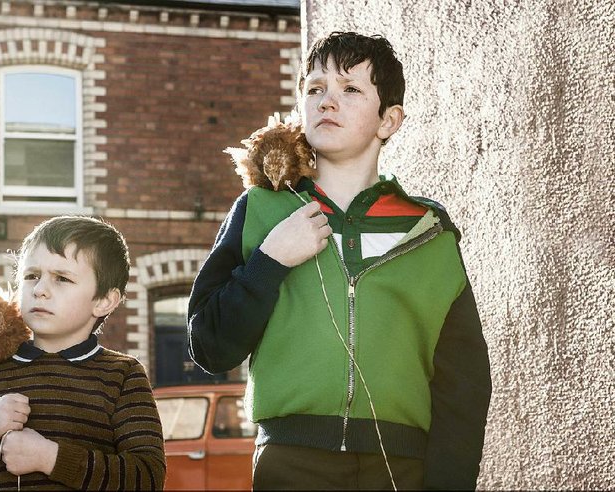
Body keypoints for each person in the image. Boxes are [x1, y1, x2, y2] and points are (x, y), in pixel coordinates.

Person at [188, 31, 491, 490]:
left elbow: (464, 385)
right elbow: (209, 347)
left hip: (401, 466)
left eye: (350, 89)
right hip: (289, 463)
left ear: (388, 120)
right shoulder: (260, 211)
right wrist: (270, 260)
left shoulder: (428, 231)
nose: (327, 101)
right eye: (315, 89)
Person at [0, 216, 166, 490]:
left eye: (62, 278)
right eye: (31, 276)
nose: (39, 290)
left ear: (104, 300)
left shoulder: (123, 376)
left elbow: (147, 478)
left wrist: (50, 458)